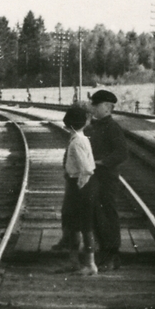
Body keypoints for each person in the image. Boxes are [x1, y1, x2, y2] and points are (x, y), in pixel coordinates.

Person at [86, 89, 128, 270]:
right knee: (97, 214)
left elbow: (122, 153)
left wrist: (103, 162)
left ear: (106, 107)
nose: (93, 108)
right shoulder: (94, 126)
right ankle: (104, 252)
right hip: (95, 177)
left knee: (108, 215)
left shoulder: (112, 127)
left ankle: (112, 255)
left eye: (96, 105)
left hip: (107, 178)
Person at [60, 106, 98, 276]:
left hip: (81, 186)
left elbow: (87, 169)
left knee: (85, 225)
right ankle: (74, 262)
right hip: (78, 184)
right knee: (74, 225)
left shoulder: (77, 142)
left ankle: (90, 265)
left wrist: (80, 186)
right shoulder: (80, 139)